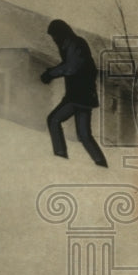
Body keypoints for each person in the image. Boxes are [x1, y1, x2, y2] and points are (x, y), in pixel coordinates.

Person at [40, 19, 108, 168]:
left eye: (55, 36)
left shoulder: (75, 44)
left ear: (61, 34)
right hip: (85, 96)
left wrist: (50, 73)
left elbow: (71, 67)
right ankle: (101, 164)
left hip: (77, 95)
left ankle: (60, 157)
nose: (54, 40)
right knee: (84, 135)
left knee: (53, 120)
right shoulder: (71, 44)